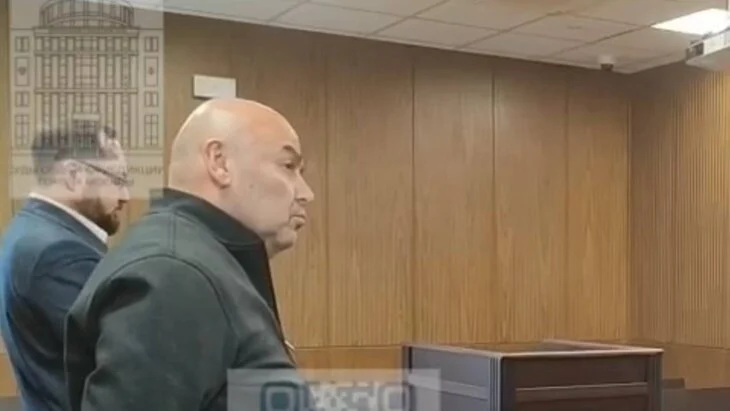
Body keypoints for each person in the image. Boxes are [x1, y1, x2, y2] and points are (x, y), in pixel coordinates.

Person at [64, 98, 315, 411]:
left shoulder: (202, 262)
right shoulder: (171, 275)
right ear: (219, 163)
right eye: (288, 167)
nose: (306, 193)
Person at [0, 125, 130, 411]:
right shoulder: (58, 254)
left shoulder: (28, 230)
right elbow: (122, 360)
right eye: (117, 179)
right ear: (73, 176)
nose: (126, 195)